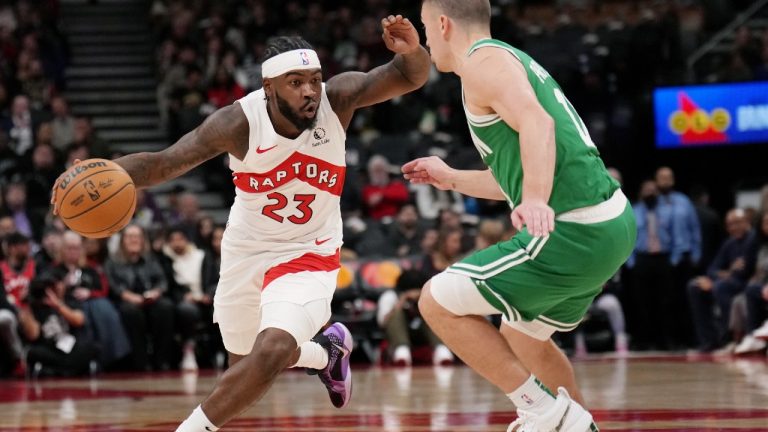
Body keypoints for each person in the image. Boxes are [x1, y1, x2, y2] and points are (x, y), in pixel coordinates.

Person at [53, 15, 430, 432]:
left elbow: (407, 77)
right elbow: (162, 163)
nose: (309, 91)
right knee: (249, 365)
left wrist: (411, 51)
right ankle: (326, 354)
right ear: (268, 88)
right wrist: (103, 172)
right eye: (295, 82)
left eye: (314, 79)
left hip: (311, 250)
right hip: (247, 249)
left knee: (270, 352)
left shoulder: (336, 100)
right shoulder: (237, 124)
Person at [403, 1, 636, 431]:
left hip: (573, 228)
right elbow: (523, 165)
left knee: (435, 302)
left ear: (442, 24)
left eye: (424, 26)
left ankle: (543, 411)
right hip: (610, 223)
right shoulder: (505, 57)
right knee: (521, 336)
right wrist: (452, 178)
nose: (427, 38)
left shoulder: (482, 62)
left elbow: (538, 123)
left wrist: (536, 199)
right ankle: (578, 425)